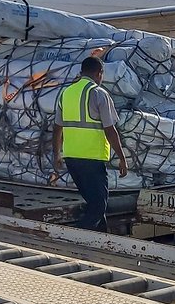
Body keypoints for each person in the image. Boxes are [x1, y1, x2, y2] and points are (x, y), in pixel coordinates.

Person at [52, 56, 128, 232]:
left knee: (94, 203)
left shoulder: (66, 93)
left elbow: (57, 128)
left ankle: (102, 240)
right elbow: (110, 130)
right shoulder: (99, 93)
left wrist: (57, 154)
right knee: (99, 205)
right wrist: (122, 158)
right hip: (92, 159)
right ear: (99, 73)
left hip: (71, 158)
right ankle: (75, 238)